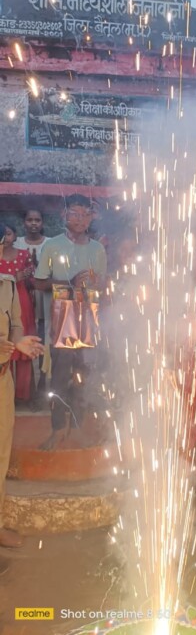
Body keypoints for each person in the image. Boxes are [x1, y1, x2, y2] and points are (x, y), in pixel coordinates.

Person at [33, 195, 107, 450]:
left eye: (85, 214)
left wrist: (95, 284)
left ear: (91, 217)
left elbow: (103, 285)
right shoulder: (52, 245)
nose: (79, 219)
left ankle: (76, 429)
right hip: (61, 321)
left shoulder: (98, 249)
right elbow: (38, 282)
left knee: (82, 378)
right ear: (64, 215)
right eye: (74, 213)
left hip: (89, 321)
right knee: (59, 378)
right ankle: (56, 429)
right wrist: (70, 283)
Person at [0, 223, 44, 548]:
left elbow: (15, 324)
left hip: (3, 379)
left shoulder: (7, 284)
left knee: (1, 454)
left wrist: (20, 342)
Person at [14, 208, 49, 405]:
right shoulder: (15, 243)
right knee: (24, 343)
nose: (33, 223)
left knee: (42, 343)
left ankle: (43, 389)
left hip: (44, 302)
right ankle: (25, 391)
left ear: (42, 222)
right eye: (30, 220)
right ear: (24, 222)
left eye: (37, 219)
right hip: (22, 302)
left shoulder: (50, 244)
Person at [0, 224, 36, 401]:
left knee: (20, 346)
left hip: (20, 301)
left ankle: (22, 395)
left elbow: (34, 281)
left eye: (8, 234)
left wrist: (27, 276)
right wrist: (16, 277)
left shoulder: (24, 255)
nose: (5, 239)